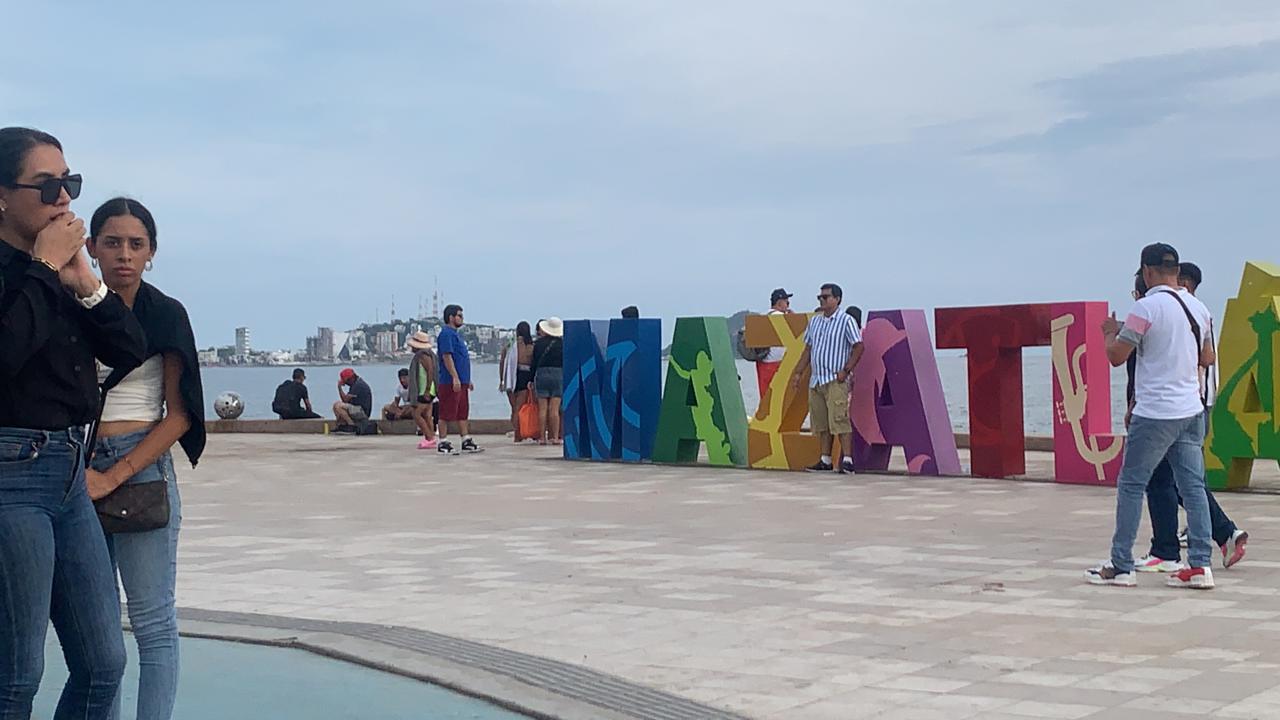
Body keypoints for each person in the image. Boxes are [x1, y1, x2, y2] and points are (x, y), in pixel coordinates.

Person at [0, 127, 142, 718]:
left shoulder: (62, 272)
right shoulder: (30, 272)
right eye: (49, 185)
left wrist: (87, 288)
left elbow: (132, 350)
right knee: (17, 672)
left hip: (67, 472)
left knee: (105, 662)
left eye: (71, 183)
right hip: (12, 473)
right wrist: (40, 267)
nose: (65, 199)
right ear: (3, 196)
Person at [86, 196, 205, 720]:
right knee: (97, 626)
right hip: (78, 463)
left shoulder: (164, 314)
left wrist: (115, 474)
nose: (124, 255)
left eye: (136, 244)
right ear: (90, 248)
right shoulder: (69, 306)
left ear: (152, 251)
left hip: (140, 463)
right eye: (112, 243)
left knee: (153, 621)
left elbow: (178, 415)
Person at [1088, 243, 1217, 589]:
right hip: (1192, 409)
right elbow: (1207, 357)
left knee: (1131, 484)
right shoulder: (1198, 308)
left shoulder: (1144, 309)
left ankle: (1121, 564)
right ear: (1176, 271)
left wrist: (1108, 333)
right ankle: (1201, 566)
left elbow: (1117, 356)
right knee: (1193, 487)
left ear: (1147, 272)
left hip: (1155, 411)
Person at [1132, 262, 1248, 572]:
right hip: (1196, 406)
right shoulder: (1199, 312)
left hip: (1177, 409)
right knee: (1185, 481)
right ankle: (1214, 540)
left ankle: (1174, 548)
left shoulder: (1173, 313)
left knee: (1165, 481)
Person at [791, 283, 864, 474]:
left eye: (826, 297)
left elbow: (858, 346)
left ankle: (847, 459)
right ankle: (825, 459)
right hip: (817, 379)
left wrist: (846, 370)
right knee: (821, 422)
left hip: (835, 378)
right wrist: (798, 372)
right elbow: (808, 349)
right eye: (820, 297)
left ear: (837, 299)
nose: (822, 300)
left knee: (839, 419)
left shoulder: (846, 320)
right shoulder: (815, 322)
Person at [436, 304, 480, 453]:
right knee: (446, 412)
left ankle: (465, 439)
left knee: (462, 411)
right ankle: (443, 441)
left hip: (462, 381)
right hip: (449, 381)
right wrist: (454, 377)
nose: (462, 318)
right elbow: (447, 356)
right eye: (459, 316)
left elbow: (461, 359)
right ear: (451, 317)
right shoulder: (446, 334)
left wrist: (467, 380)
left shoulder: (457, 335)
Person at [530, 317, 565, 445]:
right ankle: (555, 437)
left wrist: (531, 379)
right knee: (554, 409)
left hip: (542, 374)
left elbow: (533, 363)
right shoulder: (562, 344)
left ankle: (542, 437)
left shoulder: (538, 344)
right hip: (558, 374)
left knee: (542, 408)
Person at [500, 321, 534, 442]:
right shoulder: (530, 346)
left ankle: (517, 433)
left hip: (510, 377)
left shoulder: (509, 345)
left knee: (514, 408)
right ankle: (519, 434)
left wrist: (502, 380)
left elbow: (502, 362)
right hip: (525, 376)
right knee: (520, 408)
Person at [756, 288, 793, 397]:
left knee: (766, 398)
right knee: (779, 397)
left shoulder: (763, 316)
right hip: (776, 362)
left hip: (762, 362)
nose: (788, 306)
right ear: (780, 302)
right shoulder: (780, 317)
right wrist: (793, 318)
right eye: (787, 302)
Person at [406, 331, 439, 449]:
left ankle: (429, 437)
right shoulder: (427, 355)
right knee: (427, 415)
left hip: (424, 390)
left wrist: (427, 389)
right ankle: (431, 438)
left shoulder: (423, 356)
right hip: (429, 390)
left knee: (416, 414)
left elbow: (430, 372)